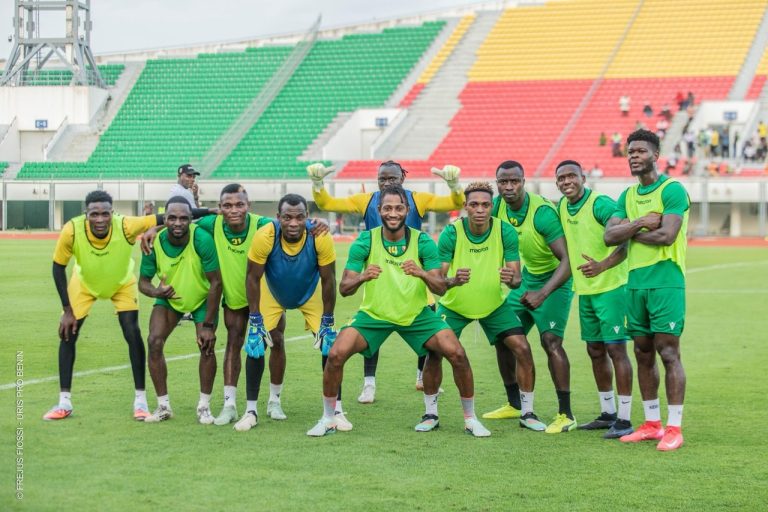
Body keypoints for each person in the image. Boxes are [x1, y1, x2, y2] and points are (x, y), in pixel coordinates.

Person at [307, 185, 490, 437]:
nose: (393, 213)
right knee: (336, 353)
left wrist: (421, 272)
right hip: (374, 315)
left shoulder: (422, 240)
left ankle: (470, 419)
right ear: (379, 210)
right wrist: (363, 277)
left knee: (457, 353)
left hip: (415, 315)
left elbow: (440, 288)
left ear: (407, 210)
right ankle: (328, 418)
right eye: (388, 208)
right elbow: (345, 289)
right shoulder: (366, 239)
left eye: (399, 208)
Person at [307, 160, 464, 403]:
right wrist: (318, 184)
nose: (387, 182)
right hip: (380, 272)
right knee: (374, 326)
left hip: (412, 275)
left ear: (402, 178)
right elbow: (327, 203)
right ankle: (369, 383)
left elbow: (453, 203)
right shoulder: (367, 200)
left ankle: (422, 375)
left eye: (392, 178)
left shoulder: (417, 199)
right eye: (382, 179)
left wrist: (454, 186)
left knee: (428, 323)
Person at [431, 181, 547, 433]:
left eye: (485, 204)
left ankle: (527, 412)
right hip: (455, 306)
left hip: (494, 305)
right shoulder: (451, 233)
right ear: (465, 207)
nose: (480, 209)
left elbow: (516, 279)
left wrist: (511, 278)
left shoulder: (504, 231)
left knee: (523, 348)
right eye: (474, 204)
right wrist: (453, 280)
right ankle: (430, 413)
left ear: (491, 206)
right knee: (434, 352)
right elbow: (438, 284)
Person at [604, 129, 689, 451]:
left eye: (640, 151)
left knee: (668, 353)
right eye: (630, 152)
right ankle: (652, 423)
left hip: (666, 279)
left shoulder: (673, 190)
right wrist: (640, 223)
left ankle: (674, 427)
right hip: (635, 282)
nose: (633, 156)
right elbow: (609, 237)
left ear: (656, 155)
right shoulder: (626, 196)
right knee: (641, 352)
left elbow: (667, 235)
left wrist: (626, 229)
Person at [45, 190, 160, 421]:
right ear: (85, 214)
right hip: (84, 283)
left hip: (121, 283)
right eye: (94, 214)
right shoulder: (72, 230)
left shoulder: (126, 225)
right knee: (68, 333)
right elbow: (58, 267)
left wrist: (155, 228)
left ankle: (140, 401)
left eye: (105, 214)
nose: (100, 219)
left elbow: (171, 217)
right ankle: (64, 402)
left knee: (133, 332)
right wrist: (67, 310)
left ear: (112, 213)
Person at [240, 193, 344, 432]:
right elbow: (252, 278)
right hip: (274, 293)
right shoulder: (266, 235)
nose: (293, 223)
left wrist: (328, 319)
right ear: (278, 217)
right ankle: (251, 410)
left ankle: (335, 410)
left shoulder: (319, 236)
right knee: (256, 343)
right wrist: (255, 318)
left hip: (310, 292)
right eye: (287, 217)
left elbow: (328, 280)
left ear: (308, 218)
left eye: (299, 217)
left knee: (332, 346)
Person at [485, 161, 576, 434]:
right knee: (504, 336)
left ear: (524, 181)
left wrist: (542, 293)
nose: (509, 187)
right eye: (503, 182)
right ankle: (515, 403)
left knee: (551, 342)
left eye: (514, 181)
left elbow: (567, 260)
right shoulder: (497, 205)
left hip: (555, 281)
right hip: (526, 279)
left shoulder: (542, 213)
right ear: (497, 183)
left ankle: (566, 414)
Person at [554, 160, 634, 439]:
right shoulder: (562, 206)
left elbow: (623, 240)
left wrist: (603, 265)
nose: (566, 182)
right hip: (586, 291)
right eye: (561, 178)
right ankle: (607, 413)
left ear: (583, 178)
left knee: (616, 350)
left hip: (612, 287)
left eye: (571, 176)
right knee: (595, 351)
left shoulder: (600, 204)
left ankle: (624, 419)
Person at [138, 197, 223, 424]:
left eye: (184, 218)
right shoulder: (153, 242)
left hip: (203, 298)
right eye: (172, 218)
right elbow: (143, 282)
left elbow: (216, 282)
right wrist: (157, 292)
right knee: (154, 341)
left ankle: (204, 406)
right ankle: (163, 406)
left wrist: (207, 325)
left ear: (190, 219)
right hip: (170, 298)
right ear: (164, 219)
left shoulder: (201, 239)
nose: (178, 223)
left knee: (206, 345)